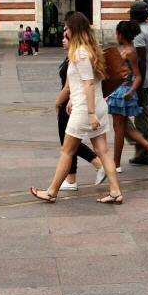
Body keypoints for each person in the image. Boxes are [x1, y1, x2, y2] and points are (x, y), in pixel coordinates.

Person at [31, 12, 122, 204]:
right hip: (97, 106)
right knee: (103, 151)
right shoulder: (90, 49)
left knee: (67, 151)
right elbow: (84, 83)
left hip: (86, 110)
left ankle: (51, 192)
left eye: (66, 28)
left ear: (74, 30)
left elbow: (88, 83)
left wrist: (89, 113)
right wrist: (73, 99)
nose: (64, 30)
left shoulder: (80, 52)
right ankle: (115, 191)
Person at [56, 20, 104, 191]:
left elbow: (72, 86)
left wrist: (58, 102)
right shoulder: (76, 55)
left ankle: (67, 182)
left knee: (68, 145)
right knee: (72, 144)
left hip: (74, 104)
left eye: (65, 34)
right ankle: (72, 179)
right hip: (74, 103)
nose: (63, 38)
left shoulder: (78, 56)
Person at [108, 21, 148, 170]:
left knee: (119, 128)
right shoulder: (126, 50)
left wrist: (131, 91)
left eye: (117, 33)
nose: (115, 36)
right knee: (122, 128)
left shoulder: (130, 52)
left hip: (123, 92)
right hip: (120, 91)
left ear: (121, 35)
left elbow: (138, 76)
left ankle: (117, 163)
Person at [126, 0, 148, 166]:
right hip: (147, 79)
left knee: (137, 116)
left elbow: (140, 61)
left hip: (141, 81)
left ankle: (145, 151)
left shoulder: (138, 33)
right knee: (140, 115)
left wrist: (138, 84)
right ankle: (143, 150)